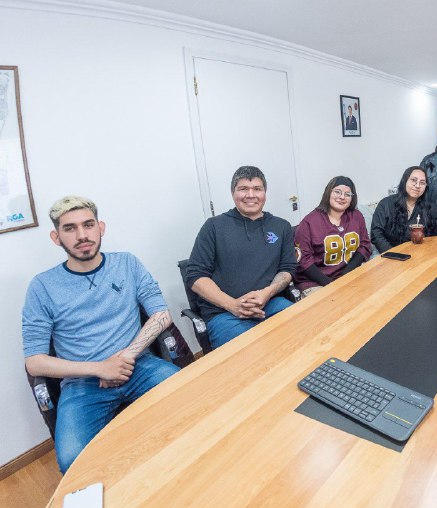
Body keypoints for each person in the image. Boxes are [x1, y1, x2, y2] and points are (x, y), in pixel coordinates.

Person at [22, 196, 179, 473]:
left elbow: (161, 315)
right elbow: (34, 362)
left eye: (88, 225)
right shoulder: (42, 286)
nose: (82, 235)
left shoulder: (127, 263)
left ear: (101, 227)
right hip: (83, 385)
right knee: (72, 462)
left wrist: (126, 358)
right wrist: (100, 369)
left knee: (195, 399)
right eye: (69, 228)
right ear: (56, 237)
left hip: (139, 366)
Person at [186, 166, 296, 350]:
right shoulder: (214, 227)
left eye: (257, 189)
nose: (251, 195)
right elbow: (195, 277)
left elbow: (287, 269)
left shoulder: (281, 226)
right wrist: (233, 305)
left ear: (265, 193)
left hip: (271, 303)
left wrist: (267, 293)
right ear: (233, 193)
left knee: (303, 331)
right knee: (252, 353)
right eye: (243, 189)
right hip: (224, 314)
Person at [294, 176, 371, 296]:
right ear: (328, 192)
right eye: (337, 192)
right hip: (316, 282)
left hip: (347, 274)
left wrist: (346, 275)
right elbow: (304, 261)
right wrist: (331, 284)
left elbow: (364, 245)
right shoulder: (309, 222)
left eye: (347, 194)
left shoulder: (356, 216)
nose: (342, 197)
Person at [370, 166, 437, 253]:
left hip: (418, 254)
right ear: (405, 181)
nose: (417, 185)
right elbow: (376, 234)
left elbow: (433, 238)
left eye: (422, 183)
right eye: (413, 180)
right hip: (387, 253)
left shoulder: (429, 208)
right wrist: (394, 254)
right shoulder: (386, 204)